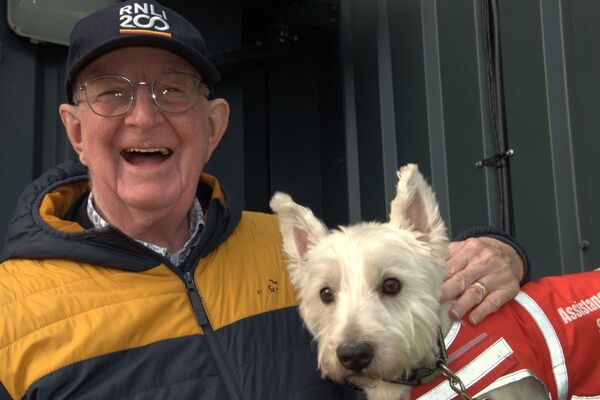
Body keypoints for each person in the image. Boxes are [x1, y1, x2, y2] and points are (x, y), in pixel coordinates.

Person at [0, 1, 529, 399]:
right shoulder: (11, 310)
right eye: (112, 91)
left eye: (173, 88)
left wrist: (500, 254)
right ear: (74, 131)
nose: (143, 116)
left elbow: (403, 269)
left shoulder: (299, 256)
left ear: (213, 126)